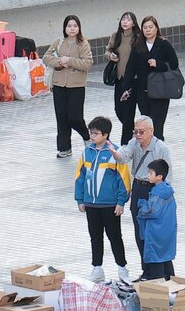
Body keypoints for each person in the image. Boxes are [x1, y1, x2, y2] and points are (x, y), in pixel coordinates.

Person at [73, 116, 131, 283]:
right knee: (95, 236)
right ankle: (97, 268)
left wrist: (121, 202)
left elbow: (124, 179)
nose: (92, 136)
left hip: (110, 205)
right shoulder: (86, 152)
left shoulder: (115, 153)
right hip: (91, 204)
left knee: (114, 236)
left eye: (96, 133)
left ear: (106, 135)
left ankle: (122, 268)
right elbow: (79, 177)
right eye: (91, 133)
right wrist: (80, 199)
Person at [111, 115, 171, 268]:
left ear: (151, 131)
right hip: (138, 187)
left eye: (141, 132)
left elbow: (168, 178)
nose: (138, 135)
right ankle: (146, 269)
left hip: (154, 191)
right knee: (140, 232)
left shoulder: (161, 148)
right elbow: (123, 158)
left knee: (155, 233)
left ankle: (162, 271)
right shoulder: (133, 143)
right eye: (135, 131)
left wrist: (161, 200)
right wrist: (115, 153)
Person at [120, 15, 180, 139]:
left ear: (156, 29)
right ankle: (148, 151)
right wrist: (126, 87)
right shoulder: (138, 45)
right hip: (143, 91)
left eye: (151, 27)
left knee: (157, 125)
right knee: (146, 123)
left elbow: (174, 64)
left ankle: (158, 152)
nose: (148, 30)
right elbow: (131, 68)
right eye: (145, 27)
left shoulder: (164, 44)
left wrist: (158, 64)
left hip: (160, 90)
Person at [44, 15, 94, 159]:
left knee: (75, 117)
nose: (72, 29)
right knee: (61, 117)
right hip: (59, 85)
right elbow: (46, 57)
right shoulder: (58, 42)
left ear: (79, 28)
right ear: (65, 28)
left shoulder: (83, 44)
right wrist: (60, 61)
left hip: (76, 86)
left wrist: (70, 61)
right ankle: (64, 148)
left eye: (75, 26)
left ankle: (87, 137)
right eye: (69, 26)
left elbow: (87, 63)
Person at [134, 159, 176, 280]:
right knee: (166, 259)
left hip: (155, 233)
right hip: (166, 231)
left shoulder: (157, 193)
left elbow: (151, 211)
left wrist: (141, 204)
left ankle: (159, 290)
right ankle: (172, 286)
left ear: (159, 176)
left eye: (151, 173)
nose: (148, 175)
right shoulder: (167, 190)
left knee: (156, 259)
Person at [105, 12, 142, 130]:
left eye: (128, 20)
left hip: (132, 79)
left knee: (128, 111)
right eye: (123, 19)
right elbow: (107, 50)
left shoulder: (138, 37)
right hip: (119, 78)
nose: (125, 22)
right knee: (118, 109)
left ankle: (129, 135)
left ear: (134, 23)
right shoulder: (116, 36)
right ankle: (132, 129)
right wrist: (110, 56)